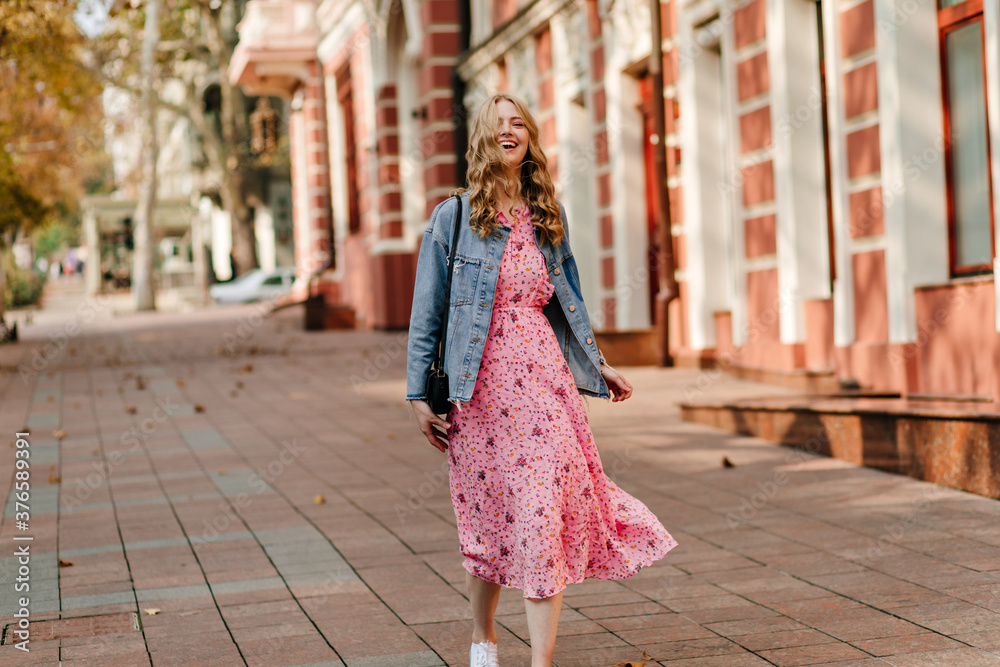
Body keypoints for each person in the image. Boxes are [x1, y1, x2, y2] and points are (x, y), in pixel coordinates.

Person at [406, 92, 677, 667]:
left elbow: (567, 304)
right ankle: (484, 637)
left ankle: (541, 663)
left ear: (529, 136)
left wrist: (596, 365)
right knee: (492, 520)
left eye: (519, 122)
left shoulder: (547, 213)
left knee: (540, 515)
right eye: (499, 123)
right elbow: (427, 311)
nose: (511, 130)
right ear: (481, 136)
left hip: (546, 388)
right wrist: (416, 395)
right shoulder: (454, 216)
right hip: (480, 392)